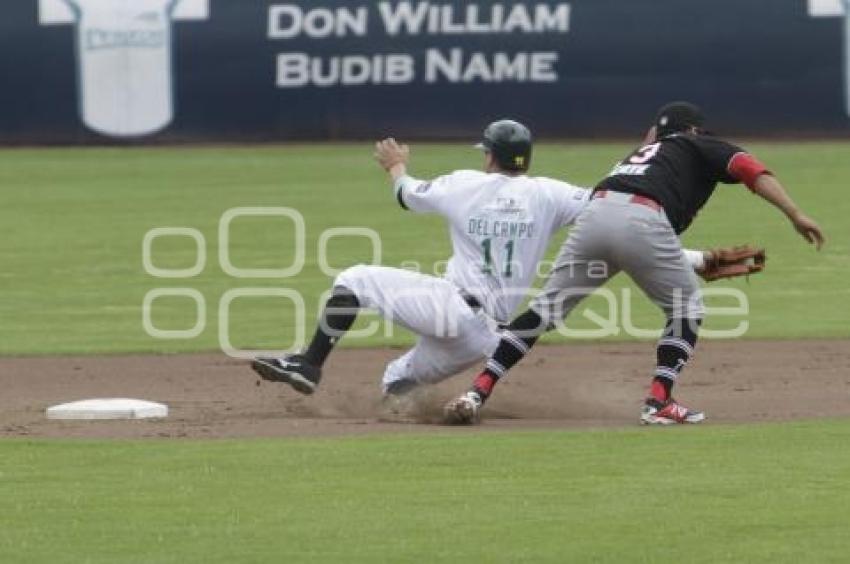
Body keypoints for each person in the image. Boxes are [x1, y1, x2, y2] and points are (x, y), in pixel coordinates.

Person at [249, 119, 736, 401]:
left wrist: (396, 166)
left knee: (354, 277)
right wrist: (693, 258)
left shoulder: (463, 183)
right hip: (485, 338)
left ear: (490, 156)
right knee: (395, 383)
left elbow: (405, 196)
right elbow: (618, 220)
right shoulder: (550, 194)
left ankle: (309, 364)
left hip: (451, 306)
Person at [445, 102, 825, 425]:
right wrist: (795, 213)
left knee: (543, 312)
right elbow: (751, 170)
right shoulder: (698, 143)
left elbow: (623, 228)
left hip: (595, 215)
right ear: (693, 129)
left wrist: (696, 260)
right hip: (642, 219)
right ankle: (659, 402)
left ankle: (476, 393)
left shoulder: (636, 158)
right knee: (686, 307)